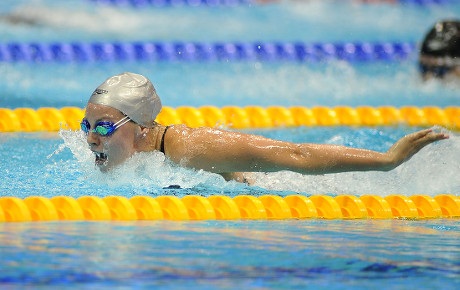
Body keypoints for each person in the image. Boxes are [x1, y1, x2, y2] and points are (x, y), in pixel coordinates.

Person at [83, 72, 449, 184]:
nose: (90, 139)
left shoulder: (187, 147)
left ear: (144, 127)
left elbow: (292, 154)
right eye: (86, 125)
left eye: (103, 126)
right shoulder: (135, 154)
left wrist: (388, 160)